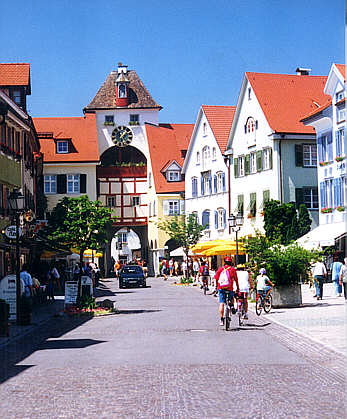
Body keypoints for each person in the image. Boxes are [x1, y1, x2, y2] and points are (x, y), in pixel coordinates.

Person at [214, 257, 239, 326]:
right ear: (231, 263)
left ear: (224, 262)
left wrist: (216, 287)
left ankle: (221, 319)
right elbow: (236, 280)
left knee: (222, 303)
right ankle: (232, 306)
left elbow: (216, 278)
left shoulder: (220, 269)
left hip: (221, 288)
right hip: (229, 288)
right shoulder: (233, 269)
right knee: (231, 298)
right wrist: (238, 288)